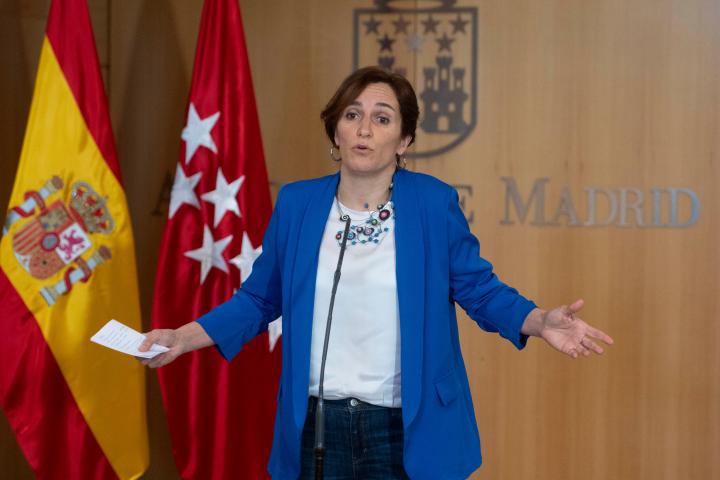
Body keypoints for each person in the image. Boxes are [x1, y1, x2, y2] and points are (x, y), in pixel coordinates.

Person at [140, 66, 614, 480]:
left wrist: (538, 321)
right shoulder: (298, 204)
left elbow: (480, 290)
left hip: (404, 428)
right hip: (317, 427)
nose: (364, 128)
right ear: (336, 131)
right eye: (352, 115)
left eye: (382, 118)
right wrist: (181, 338)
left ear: (404, 141)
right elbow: (260, 299)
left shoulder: (432, 203)